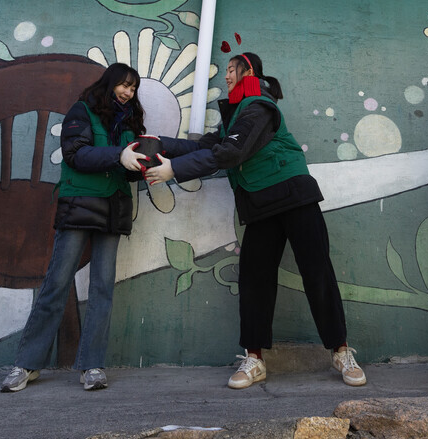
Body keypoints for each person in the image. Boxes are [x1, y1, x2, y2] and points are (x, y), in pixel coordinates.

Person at [145, 52, 366, 390]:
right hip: (260, 203)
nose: (227, 77)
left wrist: (173, 170)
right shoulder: (235, 116)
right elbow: (209, 145)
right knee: (254, 279)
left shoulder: (259, 106)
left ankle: (340, 351)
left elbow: (230, 154)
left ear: (249, 71)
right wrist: (161, 146)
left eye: (232, 70)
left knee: (317, 272)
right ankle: (255, 359)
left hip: (294, 197)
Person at [0, 62, 195, 393]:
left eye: (133, 88)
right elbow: (76, 154)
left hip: (114, 207)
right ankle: (27, 364)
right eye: (124, 85)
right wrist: (119, 155)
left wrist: (142, 165)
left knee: (103, 287)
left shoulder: (132, 120)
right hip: (80, 204)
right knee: (57, 283)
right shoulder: (82, 111)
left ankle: (92, 365)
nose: (128, 92)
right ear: (110, 83)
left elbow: (129, 166)